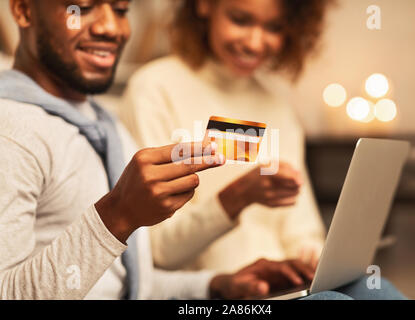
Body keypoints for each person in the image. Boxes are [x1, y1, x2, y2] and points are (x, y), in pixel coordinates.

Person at [0, 0, 337, 300]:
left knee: (365, 287)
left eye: (120, 10)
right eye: (81, 7)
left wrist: (218, 286)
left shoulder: (106, 126)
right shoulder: (13, 131)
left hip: (241, 294)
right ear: (23, 9)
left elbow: (130, 282)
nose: (109, 27)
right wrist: (119, 215)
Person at [120, 0, 329, 274]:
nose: (255, 43)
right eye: (240, 20)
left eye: (274, 27)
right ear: (205, 5)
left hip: (281, 291)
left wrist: (316, 260)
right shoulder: (155, 90)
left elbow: (304, 234)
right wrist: (238, 196)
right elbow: (159, 250)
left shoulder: (279, 109)